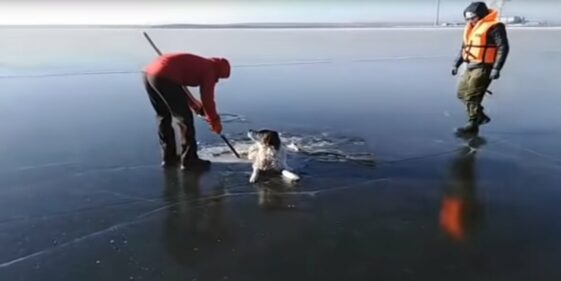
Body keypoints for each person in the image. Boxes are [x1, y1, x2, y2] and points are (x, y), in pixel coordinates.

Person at [143, 53, 230, 170]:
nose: (217, 80)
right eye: (219, 77)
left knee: (163, 116)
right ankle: (189, 160)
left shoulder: (202, 63)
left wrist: (194, 105)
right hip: (165, 77)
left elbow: (178, 86)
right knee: (184, 119)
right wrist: (214, 121)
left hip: (149, 75)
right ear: (219, 71)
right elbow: (207, 100)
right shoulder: (210, 71)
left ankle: (168, 158)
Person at [451, 2, 509, 135]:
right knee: (461, 94)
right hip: (470, 65)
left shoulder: (495, 27)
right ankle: (480, 116)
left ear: (481, 15)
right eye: (467, 18)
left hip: (483, 67)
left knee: (472, 96)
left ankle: (473, 123)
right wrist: (456, 63)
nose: (470, 21)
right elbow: (464, 48)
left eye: (473, 18)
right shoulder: (471, 28)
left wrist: (496, 68)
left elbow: (503, 47)